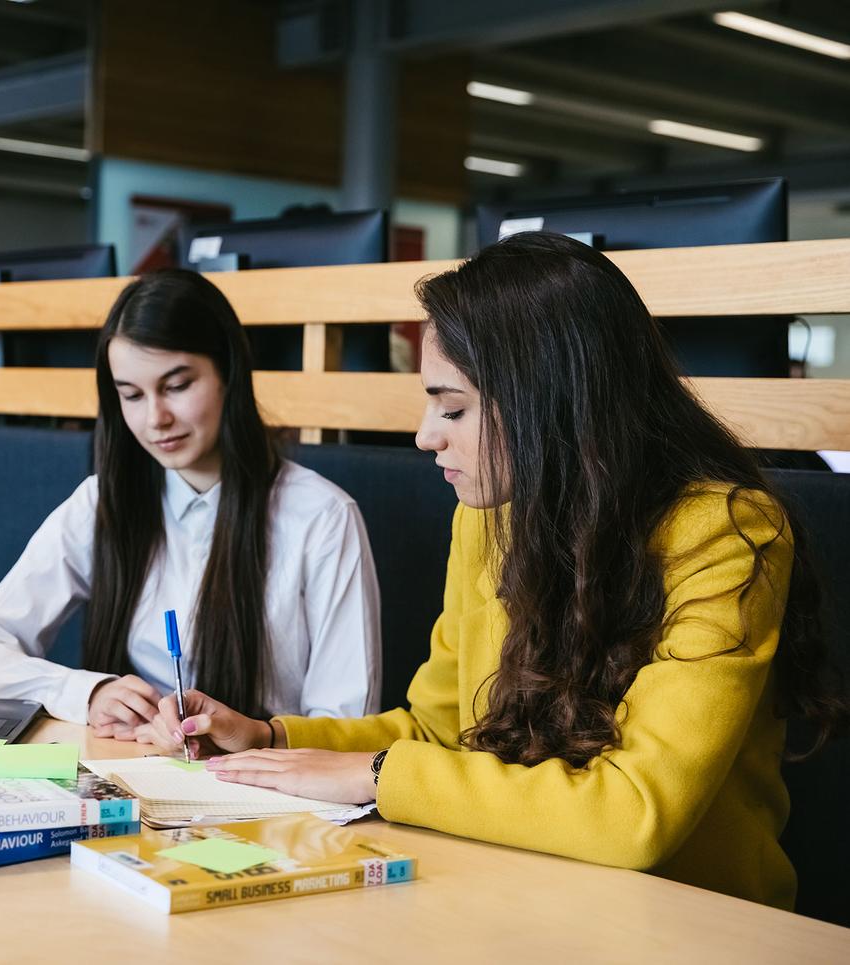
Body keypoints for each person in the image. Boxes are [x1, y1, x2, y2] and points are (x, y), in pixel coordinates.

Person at [153, 232, 847, 909]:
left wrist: (374, 773)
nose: (426, 434)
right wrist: (271, 738)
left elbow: (635, 813)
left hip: (685, 920)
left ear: (551, 403)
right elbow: (438, 731)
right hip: (518, 887)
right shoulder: (489, 516)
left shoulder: (727, 534)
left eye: (453, 407)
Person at [0, 268, 382, 740]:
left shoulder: (321, 517)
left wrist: (259, 734)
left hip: (264, 776)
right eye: (132, 395)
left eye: (176, 386)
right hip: (131, 768)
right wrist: (88, 693)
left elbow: (349, 727)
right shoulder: (103, 502)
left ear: (229, 373)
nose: (156, 419)